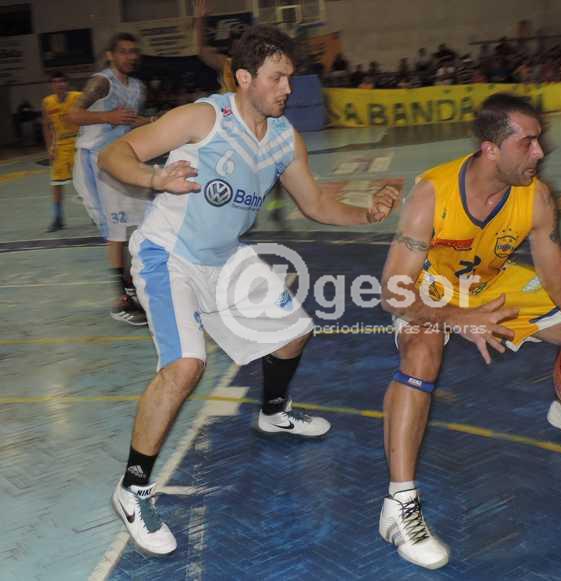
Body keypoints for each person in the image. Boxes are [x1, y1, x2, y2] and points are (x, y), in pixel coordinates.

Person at [97, 24, 399, 556]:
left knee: (295, 332)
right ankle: (133, 488)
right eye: (277, 78)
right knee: (185, 366)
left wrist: (366, 214)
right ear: (244, 78)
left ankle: (274, 411)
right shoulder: (203, 118)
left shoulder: (284, 138)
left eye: (291, 77)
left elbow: (315, 204)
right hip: (167, 256)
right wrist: (155, 180)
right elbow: (115, 154)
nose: (288, 88)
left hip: (224, 258)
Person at [377, 93, 561, 570]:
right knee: (422, 353)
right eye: (528, 142)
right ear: (491, 149)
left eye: (539, 141)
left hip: (490, 285)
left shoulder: (535, 196)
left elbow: (558, 277)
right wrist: (457, 318)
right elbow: (393, 291)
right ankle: (399, 506)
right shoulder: (432, 194)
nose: (540, 152)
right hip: (429, 288)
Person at [68, 33, 154, 325]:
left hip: (120, 160)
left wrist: (154, 122)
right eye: (124, 51)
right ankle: (122, 300)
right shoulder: (101, 82)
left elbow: (128, 121)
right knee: (114, 230)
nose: (130, 56)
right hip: (93, 162)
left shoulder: (138, 87)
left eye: (134, 51)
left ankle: (136, 288)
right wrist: (108, 117)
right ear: (110, 55)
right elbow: (72, 114)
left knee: (138, 224)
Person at [41, 71, 81, 232]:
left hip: (79, 143)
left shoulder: (78, 97)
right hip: (60, 146)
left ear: (67, 83)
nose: (59, 84)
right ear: (52, 85)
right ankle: (58, 219)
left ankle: (95, 215)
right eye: (56, 81)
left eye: (62, 81)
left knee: (85, 183)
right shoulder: (47, 102)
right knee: (56, 184)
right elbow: (46, 126)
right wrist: (49, 147)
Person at [194, 0, 237, 93]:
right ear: (231, 50)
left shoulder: (253, 65)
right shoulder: (227, 63)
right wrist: (201, 19)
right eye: (235, 45)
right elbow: (202, 51)